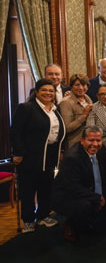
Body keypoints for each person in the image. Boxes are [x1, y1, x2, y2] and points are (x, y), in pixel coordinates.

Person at [11, 79, 66, 233]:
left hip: (50, 155)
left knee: (46, 186)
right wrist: (18, 152)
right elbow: (16, 132)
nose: (48, 93)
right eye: (44, 90)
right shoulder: (26, 108)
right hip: (29, 155)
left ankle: (43, 215)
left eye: (51, 91)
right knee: (29, 188)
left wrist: (60, 151)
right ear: (37, 91)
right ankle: (28, 220)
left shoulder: (55, 109)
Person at [52, 126, 106, 242]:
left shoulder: (101, 150)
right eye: (91, 140)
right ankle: (70, 225)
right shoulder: (72, 158)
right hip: (67, 195)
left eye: (98, 140)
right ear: (82, 141)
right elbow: (72, 187)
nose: (95, 144)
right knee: (84, 205)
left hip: (87, 187)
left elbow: (105, 170)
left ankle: (95, 221)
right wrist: (97, 197)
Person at [59, 73, 94, 149]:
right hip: (74, 145)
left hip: (89, 143)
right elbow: (67, 128)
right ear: (71, 86)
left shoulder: (87, 98)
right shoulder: (65, 102)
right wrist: (84, 116)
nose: (81, 88)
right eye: (77, 85)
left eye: (84, 85)